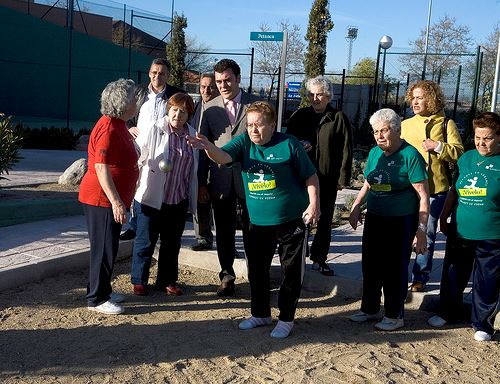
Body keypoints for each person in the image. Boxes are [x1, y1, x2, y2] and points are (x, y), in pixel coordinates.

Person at [188, 101, 320, 338]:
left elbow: (310, 175)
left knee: (291, 271)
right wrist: (207, 146)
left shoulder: (288, 143)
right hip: (257, 222)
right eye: (249, 125)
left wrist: (314, 204)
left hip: (291, 220)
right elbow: (224, 156)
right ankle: (260, 313)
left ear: (272, 124)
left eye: (259, 125)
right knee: (257, 270)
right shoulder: (245, 143)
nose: (253, 130)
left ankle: (286, 318)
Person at [349, 108, 429, 331]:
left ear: (396, 130)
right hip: (376, 216)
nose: (379, 136)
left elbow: (423, 195)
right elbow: (368, 182)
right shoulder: (375, 153)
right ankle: (370, 308)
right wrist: (356, 205)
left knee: (394, 268)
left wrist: (421, 230)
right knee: (371, 265)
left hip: (400, 219)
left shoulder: (410, 155)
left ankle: (395, 314)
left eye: (384, 131)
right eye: (375, 131)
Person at [428, 112, 500, 342]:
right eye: (478, 137)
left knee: (486, 280)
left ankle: (483, 324)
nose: (481, 142)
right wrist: (444, 216)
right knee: (453, 274)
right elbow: (454, 191)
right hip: (460, 230)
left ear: (499, 137)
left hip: (492, 234)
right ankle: (447, 311)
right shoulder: (467, 158)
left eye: (487, 138)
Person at [198, 59, 261, 297]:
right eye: (218, 81)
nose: (222, 85)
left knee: (253, 229)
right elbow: (204, 147)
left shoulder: (256, 105)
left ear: (238, 78)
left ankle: (256, 274)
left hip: (251, 179)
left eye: (227, 80)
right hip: (220, 179)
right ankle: (226, 276)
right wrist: (201, 182)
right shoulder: (209, 107)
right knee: (223, 231)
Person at [79, 78, 139, 315]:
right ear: (123, 103)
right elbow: (101, 167)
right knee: (103, 248)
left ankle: (102, 288)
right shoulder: (109, 128)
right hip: (101, 200)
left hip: (108, 199)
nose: (136, 100)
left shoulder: (119, 124)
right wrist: (116, 202)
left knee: (108, 247)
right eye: (133, 97)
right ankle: (96, 299)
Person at [130, 93, 198, 296]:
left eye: (183, 111)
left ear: (189, 115)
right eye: (175, 109)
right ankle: (139, 280)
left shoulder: (192, 135)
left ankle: (167, 280)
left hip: (177, 198)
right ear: (168, 110)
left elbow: (193, 169)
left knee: (171, 243)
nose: (178, 114)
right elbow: (138, 155)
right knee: (145, 240)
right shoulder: (155, 128)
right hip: (151, 196)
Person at [286, 75, 353, 276]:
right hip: (301, 176)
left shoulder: (338, 117)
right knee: (299, 217)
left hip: (326, 176)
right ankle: (298, 255)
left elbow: (346, 150)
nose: (315, 98)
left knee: (323, 220)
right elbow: (288, 141)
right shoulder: (299, 116)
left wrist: (342, 179)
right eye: (311, 94)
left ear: (328, 96)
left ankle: (319, 257)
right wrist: (300, 143)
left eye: (320, 94)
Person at [401, 80, 463, 292]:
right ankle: (397, 272)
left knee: (426, 232)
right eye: (413, 98)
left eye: (420, 97)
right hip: (408, 188)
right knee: (403, 231)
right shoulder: (405, 125)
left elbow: (459, 153)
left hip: (436, 189)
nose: (415, 102)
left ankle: (420, 277)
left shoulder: (446, 123)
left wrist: (438, 146)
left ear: (432, 99)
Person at [120, 57, 186, 241]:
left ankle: (157, 223)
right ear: (149, 73)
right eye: (154, 72)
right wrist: (128, 127)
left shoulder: (174, 95)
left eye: (162, 73)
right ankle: (134, 225)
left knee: (160, 185)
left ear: (168, 75)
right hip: (139, 147)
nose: (158, 76)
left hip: (164, 149)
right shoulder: (139, 92)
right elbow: (126, 114)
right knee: (137, 185)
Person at [190, 73, 220, 251]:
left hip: (217, 162)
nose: (206, 90)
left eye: (210, 87)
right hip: (197, 161)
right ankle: (202, 237)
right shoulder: (195, 108)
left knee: (219, 205)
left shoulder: (221, 109)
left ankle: (226, 242)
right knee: (199, 200)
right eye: (202, 87)